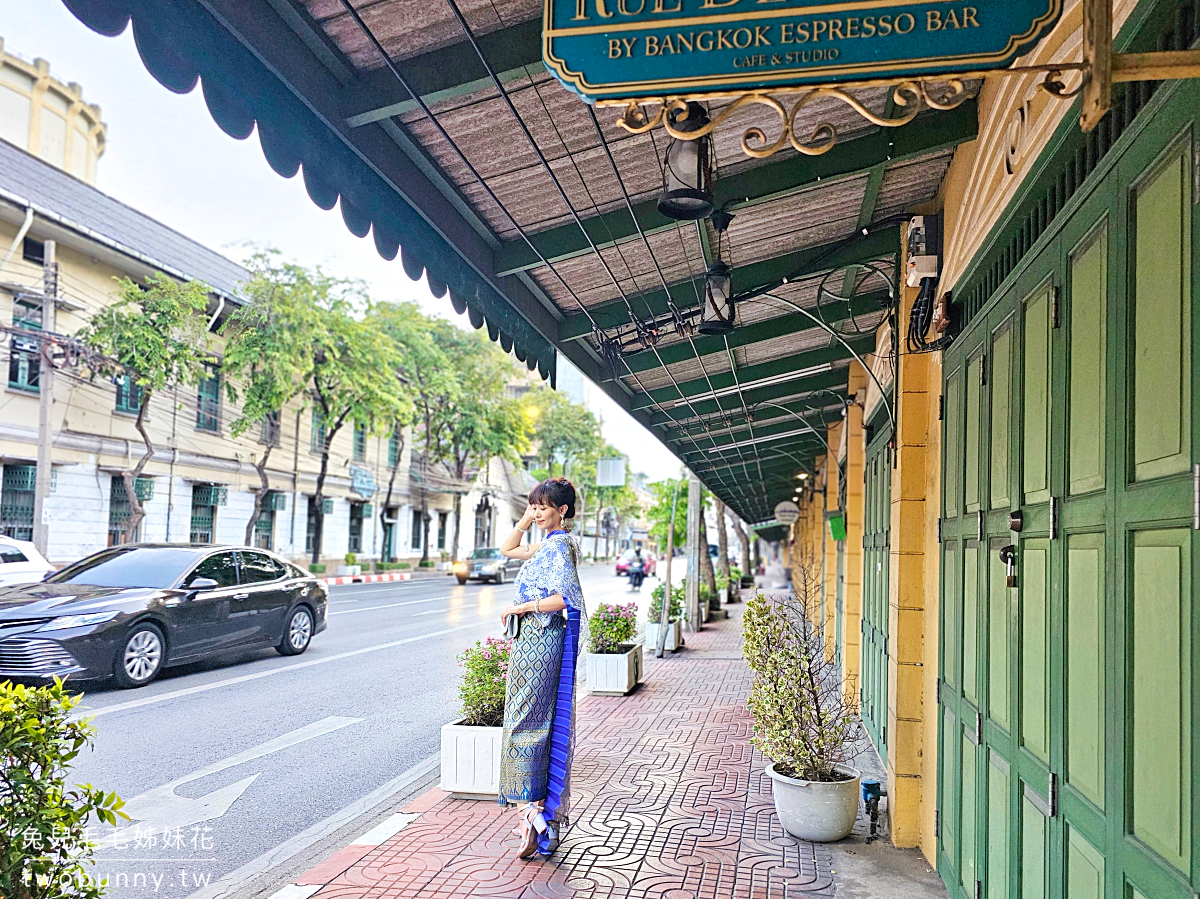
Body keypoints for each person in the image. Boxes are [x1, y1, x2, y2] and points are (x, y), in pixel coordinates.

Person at [496, 477, 586, 860]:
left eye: (543, 507)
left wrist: (522, 608)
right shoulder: (547, 545)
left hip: (541, 638)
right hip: (529, 640)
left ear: (562, 511)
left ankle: (532, 815)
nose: (536, 513)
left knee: (525, 722)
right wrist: (525, 517)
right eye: (534, 506)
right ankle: (531, 817)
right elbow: (507, 548)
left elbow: (567, 597)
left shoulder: (560, 546)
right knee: (526, 720)